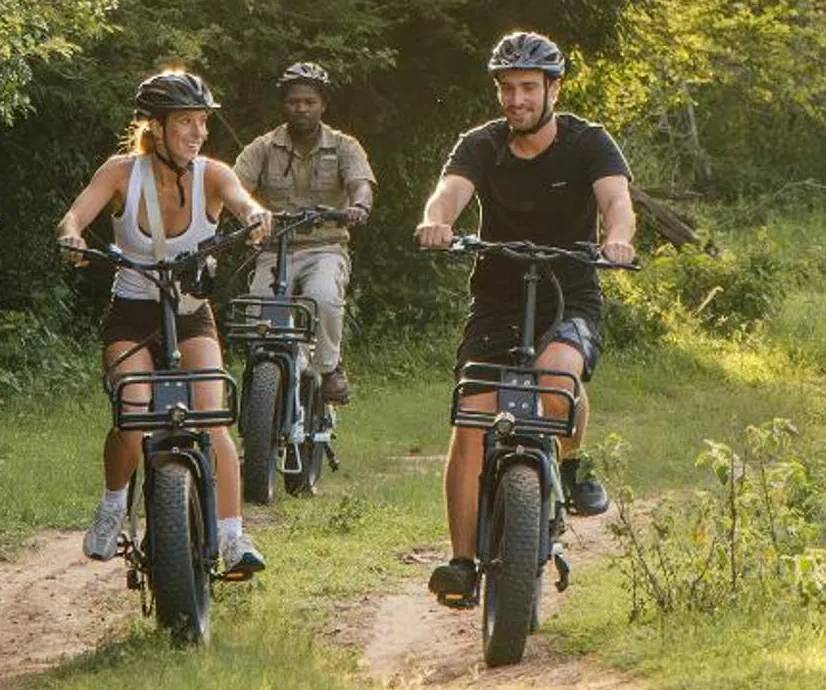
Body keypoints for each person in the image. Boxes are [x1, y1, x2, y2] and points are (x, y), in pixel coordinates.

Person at [413, 31, 638, 609]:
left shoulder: (589, 142)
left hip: (572, 293)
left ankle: (571, 460)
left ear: (553, 89)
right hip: (498, 296)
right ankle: (462, 560)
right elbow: (448, 193)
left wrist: (616, 240)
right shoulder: (482, 144)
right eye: (507, 89)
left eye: (528, 89)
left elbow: (617, 202)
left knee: (558, 376)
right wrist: (436, 221)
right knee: (471, 418)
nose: (516, 100)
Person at [55, 68, 272, 577]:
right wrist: (71, 239)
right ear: (155, 127)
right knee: (133, 412)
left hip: (191, 314)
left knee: (213, 414)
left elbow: (245, 202)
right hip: (132, 313)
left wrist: (256, 217)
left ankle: (233, 537)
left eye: (202, 123)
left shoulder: (213, 174)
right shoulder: (120, 172)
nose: (197, 133)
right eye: (185, 123)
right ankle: (112, 505)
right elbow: (73, 217)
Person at [231, 63, 376, 406]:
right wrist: (243, 212)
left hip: (325, 247)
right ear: (284, 105)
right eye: (294, 101)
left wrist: (359, 206)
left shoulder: (344, 146)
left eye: (309, 101)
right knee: (258, 310)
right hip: (273, 248)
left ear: (322, 105)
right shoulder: (263, 148)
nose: (301, 108)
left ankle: (328, 369)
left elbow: (361, 184)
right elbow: (232, 187)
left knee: (323, 297)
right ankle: (261, 395)